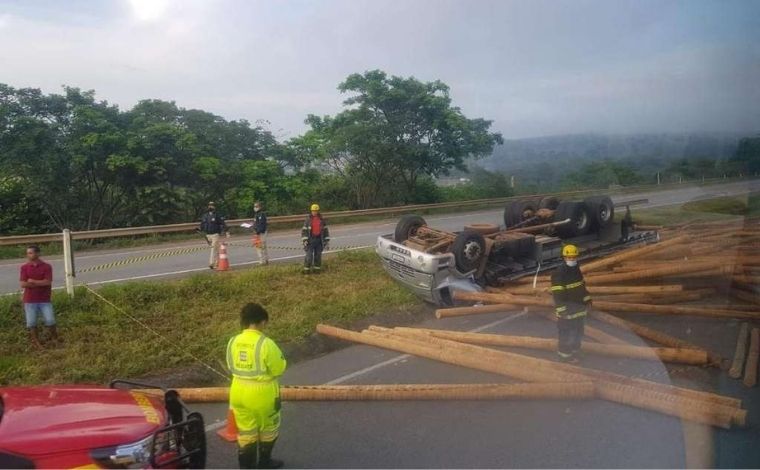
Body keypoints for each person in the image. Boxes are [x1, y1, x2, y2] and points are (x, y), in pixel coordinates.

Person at [226, 303, 287, 469]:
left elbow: (231, 366)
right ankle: (264, 462)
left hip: (237, 391)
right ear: (262, 322)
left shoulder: (233, 341)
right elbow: (279, 368)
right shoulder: (266, 343)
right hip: (262, 394)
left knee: (246, 433)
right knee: (269, 429)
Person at [550, 244, 591, 363]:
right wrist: (562, 309)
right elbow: (558, 294)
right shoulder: (559, 273)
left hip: (578, 309)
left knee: (578, 332)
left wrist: (587, 299)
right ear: (564, 258)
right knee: (566, 334)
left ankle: (575, 351)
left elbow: (581, 286)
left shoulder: (576, 269)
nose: (572, 260)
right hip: (566, 311)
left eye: (574, 257)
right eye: (569, 258)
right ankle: (565, 356)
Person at [19, 245, 58, 348]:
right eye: (28, 253)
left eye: (31, 253)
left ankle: (55, 339)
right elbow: (23, 284)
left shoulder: (47, 266)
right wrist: (39, 283)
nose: (29, 255)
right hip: (30, 300)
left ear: (38, 253)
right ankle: (36, 342)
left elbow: (47, 282)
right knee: (32, 322)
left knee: (50, 320)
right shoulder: (24, 267)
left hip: (44, 299)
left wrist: (32, 281)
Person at [301, 203, 330, 274]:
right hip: (310, 241)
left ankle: (317, 271)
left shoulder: (322, 220)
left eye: (316, 211)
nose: (314, 212)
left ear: (318, 211)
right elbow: (304, 231)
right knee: (309, 257)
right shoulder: (308, 220)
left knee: (318, 256)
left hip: (319, 241)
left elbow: (326, 231)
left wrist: (326, 241)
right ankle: (306, 271)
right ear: (311, 211)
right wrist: (305, 240)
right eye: (313, 211)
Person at [200, 202, 229, 269]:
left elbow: (223, 223)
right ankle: (218, 263)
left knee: (213, 249)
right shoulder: (205, 215)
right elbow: (202, 224)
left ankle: (211, 263)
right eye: (210, 205)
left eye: (212, 205)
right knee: (216, 249)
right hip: (207, 235)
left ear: (214, 207)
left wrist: (227, 231)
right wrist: (200, 230)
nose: (211, 207)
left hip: (215, 235)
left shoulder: (217, 215)